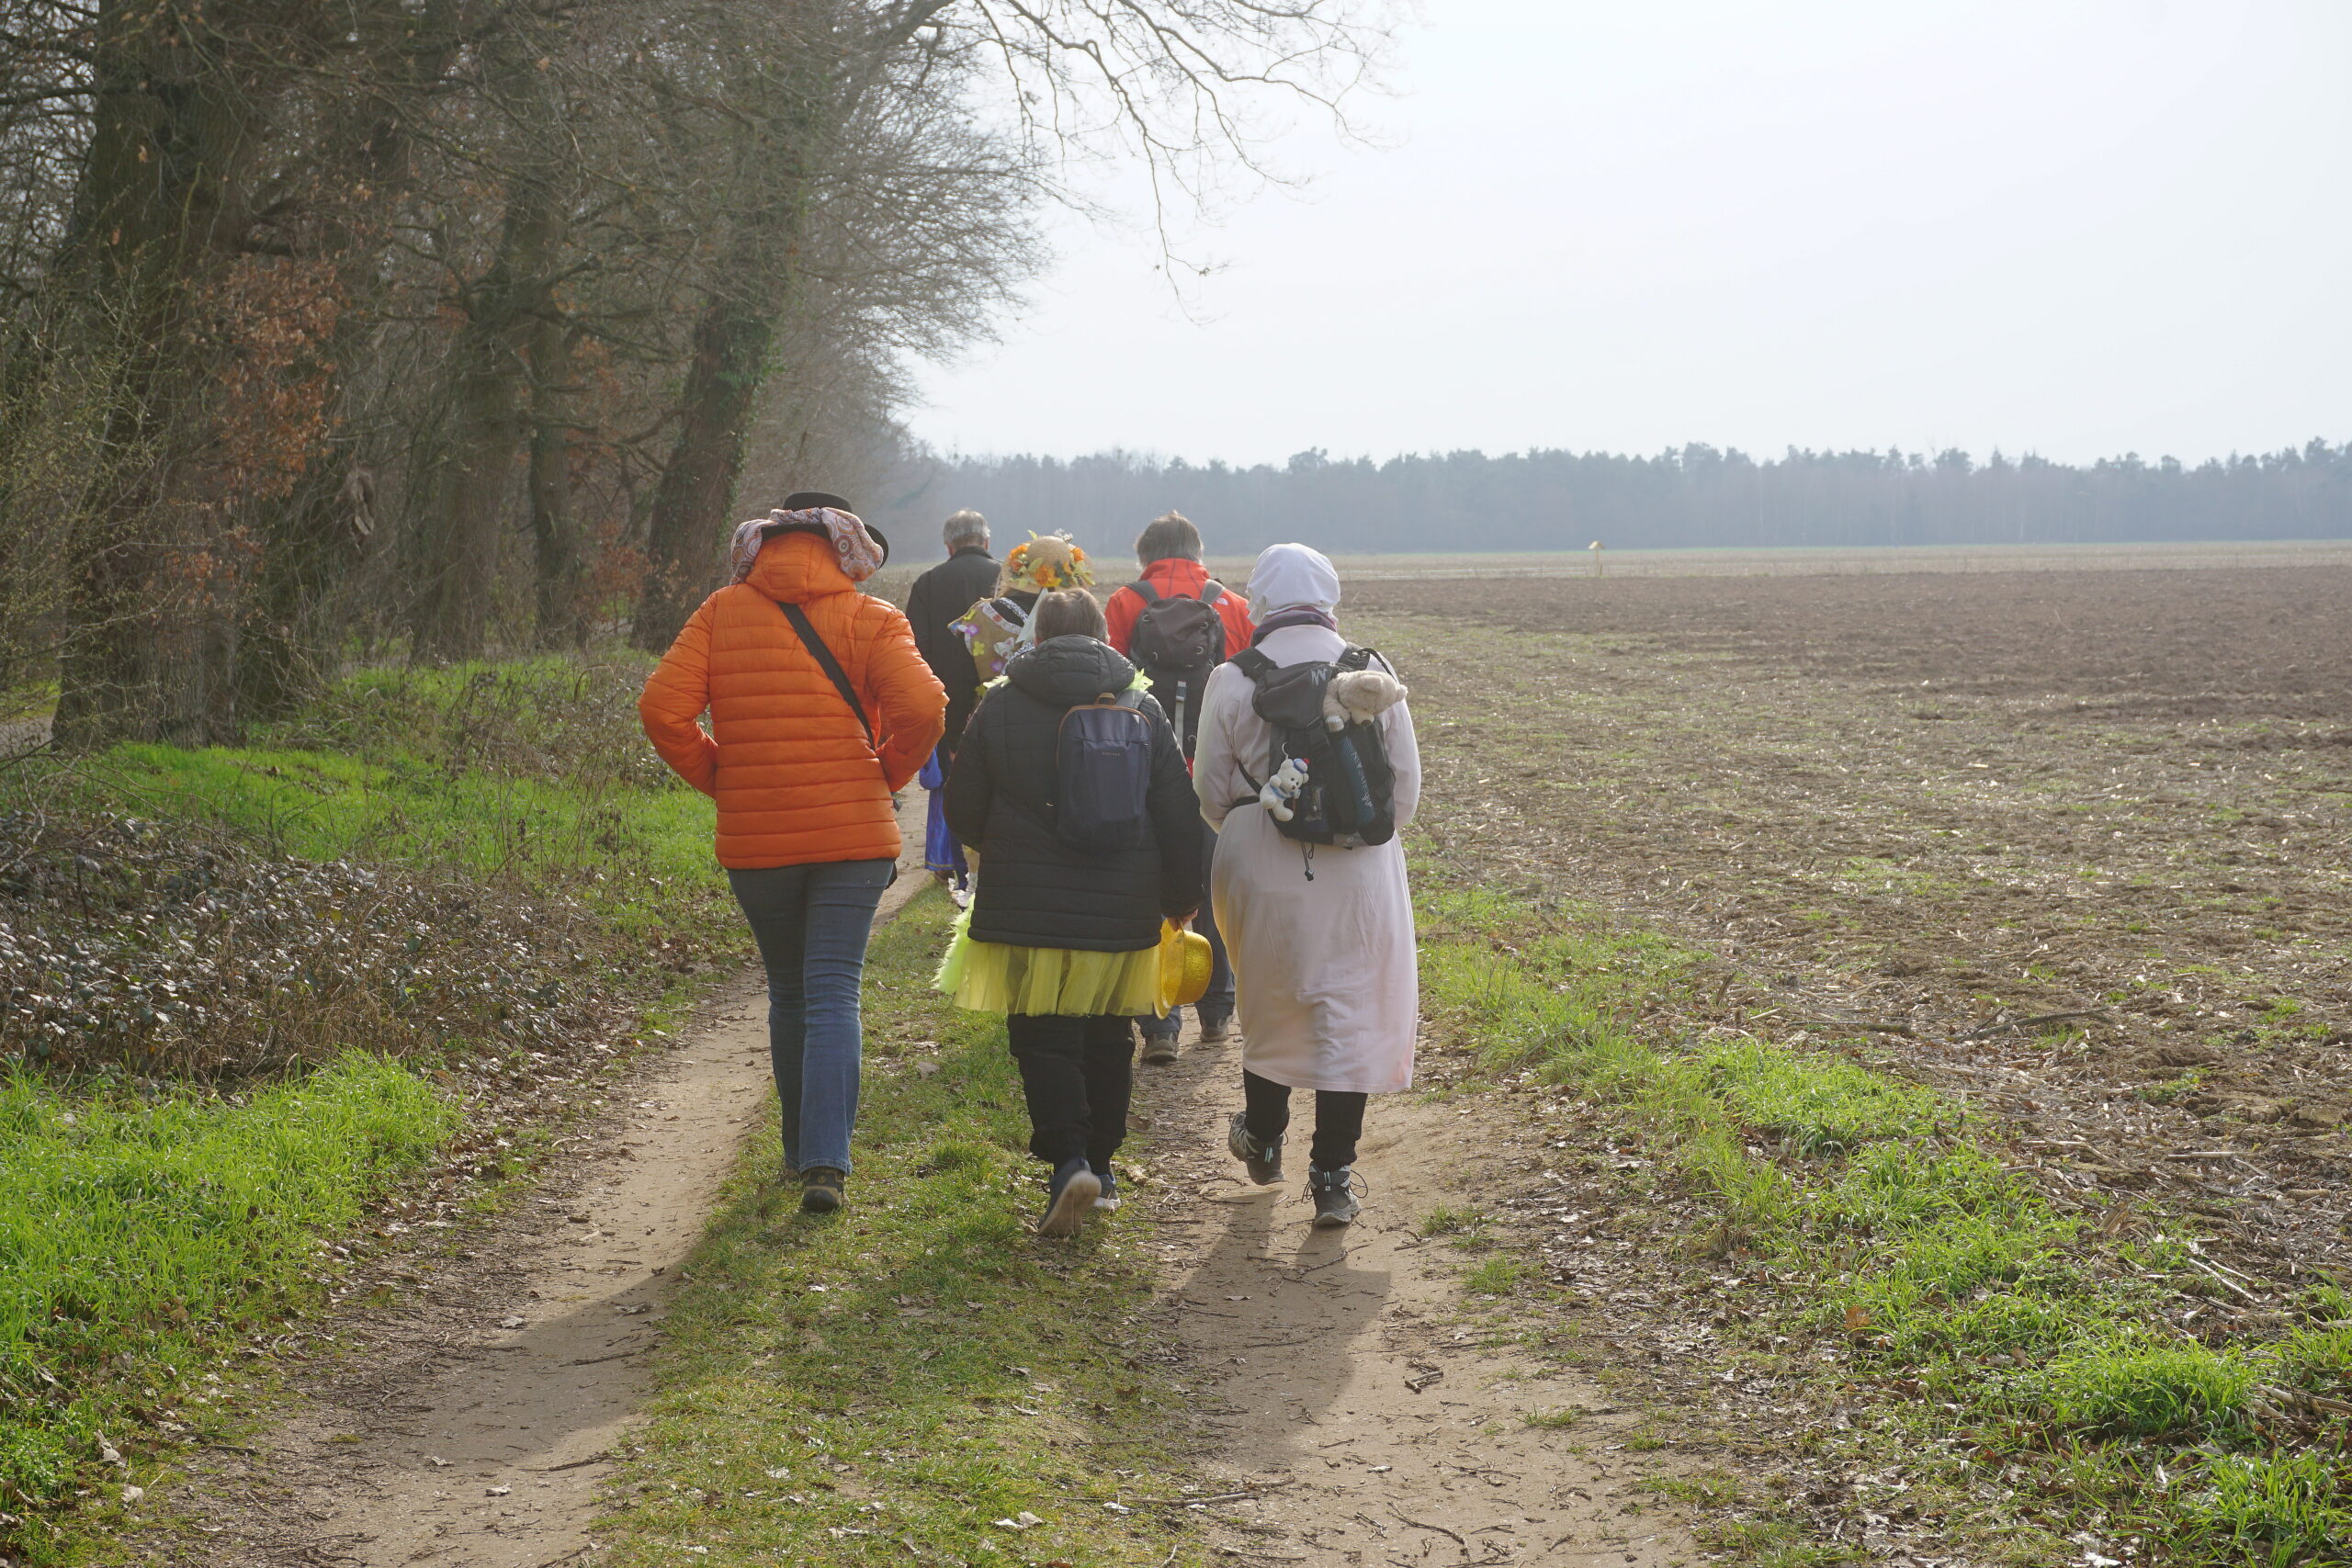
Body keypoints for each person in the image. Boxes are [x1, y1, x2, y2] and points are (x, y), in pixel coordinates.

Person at [639, 492, 946, 1215]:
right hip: (853, 836)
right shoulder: (874, 618)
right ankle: (824, 1163)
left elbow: (661, 709)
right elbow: (926, 708)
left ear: (765, 542)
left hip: (759, 840)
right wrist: (886, 772)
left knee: (789, 990)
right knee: (834, 988)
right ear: (846, 547)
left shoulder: (720, 612)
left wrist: (724, 778)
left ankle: (794, 1148)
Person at [938, 588, 1204, 1237]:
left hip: (1028, 905)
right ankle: (1104, 1170)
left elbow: (962, 807)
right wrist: (1180, 899)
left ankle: (1070, 1161)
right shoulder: (1141, 705)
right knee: (1109, 1035)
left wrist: (998, 845)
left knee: (1042, 1037)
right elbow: (1178, 812)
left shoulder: (999, 703)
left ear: (1036, 637)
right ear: (1103, 635)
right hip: (1122, 908)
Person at [1191, 544, 1420, 1228]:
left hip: (1261, 853)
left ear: (1259, 600)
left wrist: (1259, 822)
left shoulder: (1233, 676)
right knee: (1350, 1008)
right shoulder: (1372, 672)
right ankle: (1333, 1176)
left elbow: (1210, 787)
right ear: (1330, 595)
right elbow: (1404, 791)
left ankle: (1263, 1136)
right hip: (1360, 866)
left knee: (1271, 999)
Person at [1104, 512, 1255, 1065]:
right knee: (1214, 891)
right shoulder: (1231, 605)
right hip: (1216, 770)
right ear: (1198, 551)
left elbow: (1110, 686)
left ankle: (1159, 1024)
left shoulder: (1125, 603)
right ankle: (1216, 1013)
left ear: (1146, 555)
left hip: (1145, 769)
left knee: (1154, 890)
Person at [903, 510, 1000, 894]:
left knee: (952, 785)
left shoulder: (928, 583)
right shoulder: (1005, 578)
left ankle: (955, 867)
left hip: (947, 702)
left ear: (949, 545)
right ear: (986, 541)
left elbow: (914, 650)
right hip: (998, 700)